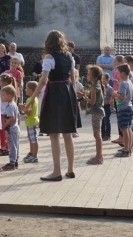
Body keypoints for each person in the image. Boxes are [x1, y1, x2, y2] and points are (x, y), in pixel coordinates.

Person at [32, 30, 78, 182]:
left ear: (48, 42)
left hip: (55, 93)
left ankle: (57, 171)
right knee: (67, 134)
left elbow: (44, 80)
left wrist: (32, 97)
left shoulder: (49, 57)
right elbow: (73, 78)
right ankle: (70, 169)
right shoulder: (69, 56)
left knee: (54, 135)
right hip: (68, 91)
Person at [84, 65, 104, 165]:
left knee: (97, 135)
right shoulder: (98, 85)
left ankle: (98, 157)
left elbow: (92, 102)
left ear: (95, 77)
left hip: (96, 112)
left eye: (89, 74)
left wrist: (85, 98)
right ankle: (99, 156)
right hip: (98, 112)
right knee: (97, 134)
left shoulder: (94, 87)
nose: (87, 75)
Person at [114, 64, 133, 158]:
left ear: (122, 73)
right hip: (129, 107)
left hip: (124, 108)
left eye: (118, 72)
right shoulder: (129, 82)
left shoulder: (123, 83)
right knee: (129, 129)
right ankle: (129, 147)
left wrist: (115, 94)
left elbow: (122, 96)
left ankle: (126, 150)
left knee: (124, 129)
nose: (117, 74)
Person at [0, 86, 20, 171]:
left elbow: (12, 118)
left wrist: (3, 126)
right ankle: (15, 161)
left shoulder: (9, 106)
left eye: (3, 95)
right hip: (14, 129)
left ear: (9, 95)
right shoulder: (13, 104)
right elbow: (18, 116)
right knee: (15, 145)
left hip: (11, 129)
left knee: (12, 146)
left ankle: (12, 162)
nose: (2, 97)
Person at [21, 81, 40, 163]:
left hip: (32, 122)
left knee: (34, 140)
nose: (25, 90)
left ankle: (34, 156)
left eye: (27, 89)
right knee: (31, 139)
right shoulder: (34, 99)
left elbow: (28, 112)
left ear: (31, 90)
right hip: (30, 122)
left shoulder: (31, 99)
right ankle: (31, 153)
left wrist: (22, 108)